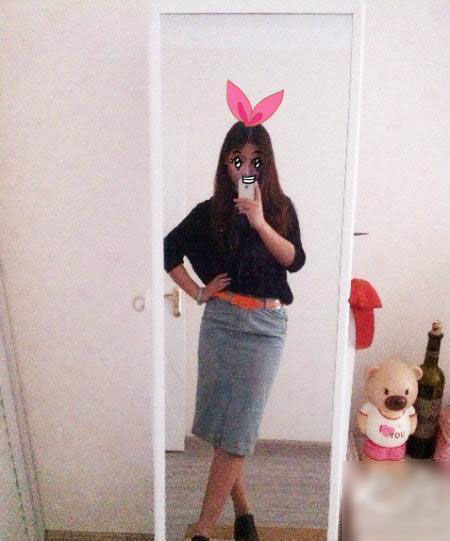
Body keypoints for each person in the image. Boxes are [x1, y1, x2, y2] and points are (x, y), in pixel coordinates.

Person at [163, 82, 306, 541]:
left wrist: (260, 222)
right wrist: (198, 292)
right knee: (223, 428)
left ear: (266, 164)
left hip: (266, 328)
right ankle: (244, 513)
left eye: (254, 160)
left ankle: (204, 528)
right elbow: (168, 250)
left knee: (239, 430)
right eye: (237, 159)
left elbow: (294, 260)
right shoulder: (209, 213)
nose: (245, 168)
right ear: (225, 164)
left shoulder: (281, 209)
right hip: (222, 324)